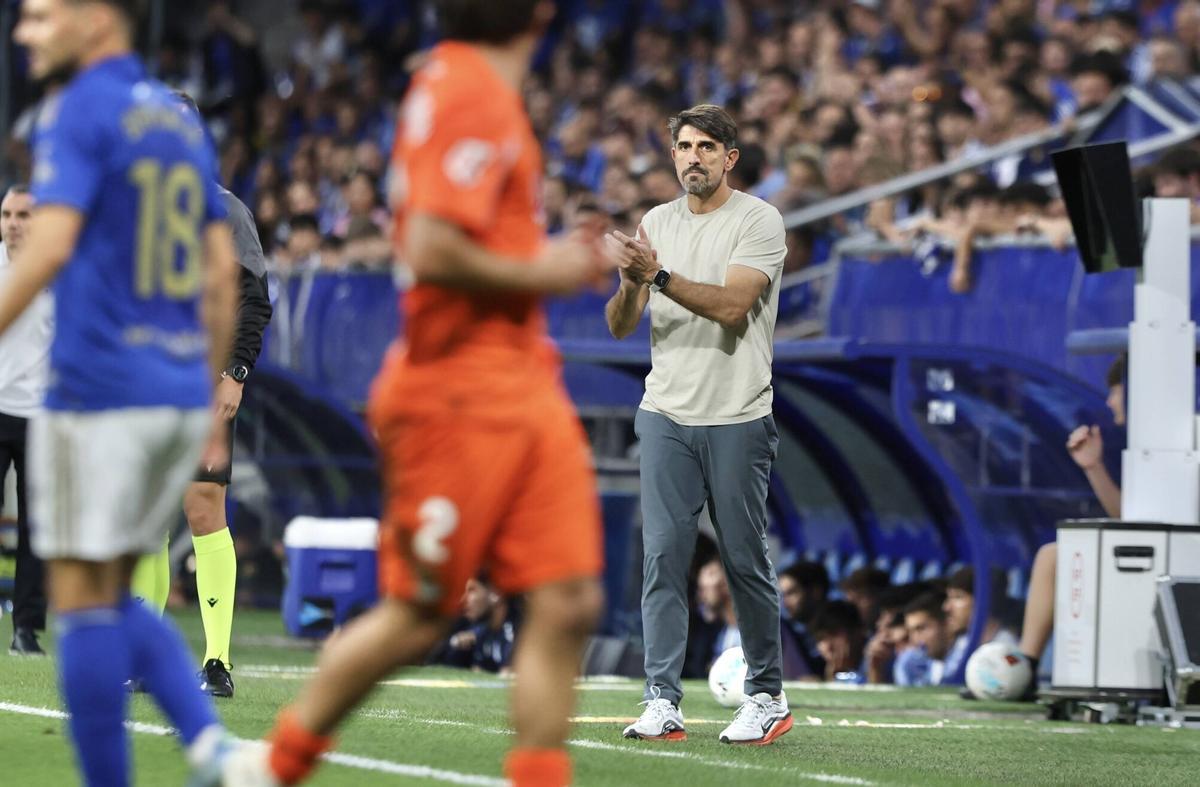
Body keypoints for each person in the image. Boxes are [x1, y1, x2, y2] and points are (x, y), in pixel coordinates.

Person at [229, 2, 611, 785]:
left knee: (569, 598)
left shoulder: (478, 88)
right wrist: (550, 267)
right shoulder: (468, 88)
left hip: (519, 378)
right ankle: (274, 765)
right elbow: (434, 247)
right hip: (457, 390)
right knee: (420, 615)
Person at [4, 0, 239, 784]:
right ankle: (207, 744)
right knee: (105, 589)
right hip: (172, 391)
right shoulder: (177, 125)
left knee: (81, 603)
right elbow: (219, 275)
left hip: (101, 389)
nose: (24, 31)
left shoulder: (77, 111)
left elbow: (46, 250)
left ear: (97, 18)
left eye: (41, 15)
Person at [605, 103, 791, 745]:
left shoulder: (759, 220)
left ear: (729, 159)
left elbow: (735, 306)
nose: (692, 157)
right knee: (662, 556)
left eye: (706, 147)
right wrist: (632, 283)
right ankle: (662, 698)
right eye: (683, 146)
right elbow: (621, 323)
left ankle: (766, 693)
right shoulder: (655, 221)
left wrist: (655, 273)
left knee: (743, 558)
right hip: (666, 412)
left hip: (739, 413)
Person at [128, 91, 274, 699]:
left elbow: (254, 300)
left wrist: (235, 374)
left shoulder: (226, 211)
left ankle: (217, 662)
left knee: (202, 509)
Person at [0, 184, 52, 656]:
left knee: (37, 528)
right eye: (7, 214)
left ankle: (26, 628)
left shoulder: (57, 270)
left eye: (23, 214)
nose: (13, 222)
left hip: (40, 414)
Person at [898, 591, 955, 686]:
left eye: (921, 628)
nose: (914, 639)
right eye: (911, 631)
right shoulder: (927, 666)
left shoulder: (966, 659)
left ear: (946, 624)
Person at [810, 600, 869, 684]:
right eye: (821, 639)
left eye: (834, 634)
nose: (828, 647)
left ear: (857, 632)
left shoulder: (882, 660)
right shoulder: (835, 673)